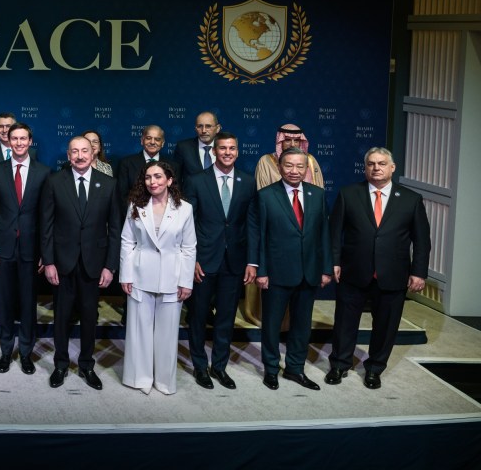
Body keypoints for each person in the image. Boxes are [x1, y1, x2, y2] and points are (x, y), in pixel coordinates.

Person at [327, 147, 430, 390]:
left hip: (393, 274)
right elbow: (334, 232)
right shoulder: (348, 194)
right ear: (365, 168)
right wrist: (334, 261)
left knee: (386, 326)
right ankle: (339, 364)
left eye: (382, 163)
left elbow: (422, 240)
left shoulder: (411, 199)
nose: (376, 168)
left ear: (392, 167)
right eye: (371, 164)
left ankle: (374, 369)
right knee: (344, 322)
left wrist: (418, 272)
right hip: (353, 271)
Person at [41, 135, 120, 390]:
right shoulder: (54, 181)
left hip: (94, 263)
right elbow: (46, 225)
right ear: (68, 155)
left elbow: (115, 229)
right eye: (74, 151)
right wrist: (49, 262)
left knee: (89, 317)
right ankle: (61, 364)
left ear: (93, 153)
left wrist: (110, 266)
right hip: (62, 263)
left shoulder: (108, 184)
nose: (80, 156)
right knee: (62, 317)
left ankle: (86, 364)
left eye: (84, 151)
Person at [252, 147, 332, 391]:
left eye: (300, 166)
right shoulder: (265, 195)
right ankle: (271, 369)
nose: (294, 171)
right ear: (279, 167)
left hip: (309, 272)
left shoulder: (318, 194)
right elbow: (258, 236)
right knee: (272, 324)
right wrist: (261, 271)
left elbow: (324, 234)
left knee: (302, 325)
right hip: (276, 273)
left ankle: (295, 369)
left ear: (307, 168)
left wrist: (326, 268)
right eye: (289, 165)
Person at [184, 131, 256, 390]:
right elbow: (187, 222)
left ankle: (219, 367)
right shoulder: (196, 180)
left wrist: (252, 261)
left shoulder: (248, 181)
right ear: (214, 151)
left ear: (237, 151)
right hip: (203, 259)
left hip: (235, 261)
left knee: (226, 317)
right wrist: (191, 259)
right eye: (222, 148)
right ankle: (199, 366)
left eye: (232, 148)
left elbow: (252, 224)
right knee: (198, 316)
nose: (227, 152)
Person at [119, 160, 196, 395]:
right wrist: (126, 275)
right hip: (140, 275)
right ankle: (139, 378)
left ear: (169, 180)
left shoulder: (185, 209)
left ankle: (164, 381)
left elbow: (189, 247)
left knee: (167, 333)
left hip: (172, 278)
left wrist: (186, 281)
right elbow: (127, 241)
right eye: (148, 177)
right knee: (138, 331)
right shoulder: (136, 206)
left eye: (158, 176)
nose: (152, 182)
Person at [0, 122, 50, 375]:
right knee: (5, 303)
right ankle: (5, 351)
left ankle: (25, 353)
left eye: (23, 139)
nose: (19, 143)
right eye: (15, 139)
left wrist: (45, 251)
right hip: (3, 248)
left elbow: (47, 216)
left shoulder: (44, 172)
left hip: (31, 249)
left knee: (28, 304)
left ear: (30, 141)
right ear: (9, 142)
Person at [255, 123, 325, 189]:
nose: (292, 145)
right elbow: (263, 193)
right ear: (281, 141)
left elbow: (318, 190)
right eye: (288, 140)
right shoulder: (266, 161)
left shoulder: (310, 160)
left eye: (296, 140)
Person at [116, 125, 166, 204]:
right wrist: (134, 211)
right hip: (134, 210)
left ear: (162, 143)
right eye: (148, 138)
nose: (152, 142)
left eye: (157, 139)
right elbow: (122, 195)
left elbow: (175, 194)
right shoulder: (126, 163)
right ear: (142, 141)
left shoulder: (173, 165)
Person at [171, 111, 220, 187]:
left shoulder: (224, 147)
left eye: (208, 126)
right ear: (195, 128)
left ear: (217, 128)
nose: (203, 130)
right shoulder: (183, 147)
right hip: (190, 194)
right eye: (200, 126)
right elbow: (175, 178)